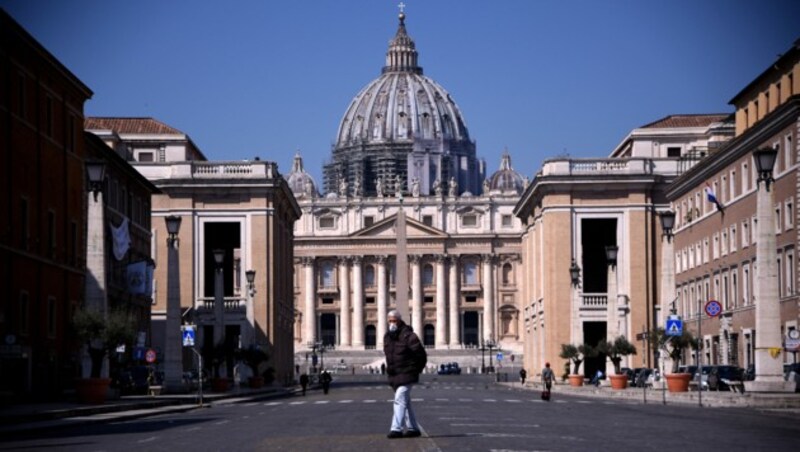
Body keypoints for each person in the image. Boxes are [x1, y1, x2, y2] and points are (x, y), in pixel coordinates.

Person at [383, 309, 427, 439]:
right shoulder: (387, 337)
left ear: (400, 321)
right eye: (390, 321)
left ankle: (396, 428)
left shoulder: (410, 336)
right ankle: (413, 428)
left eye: (394, 321)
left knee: (399, 400)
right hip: (395, 374)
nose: (392, 324)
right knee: (405, 402)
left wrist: (415, 370)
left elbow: (421, 355)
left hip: (407, 373)